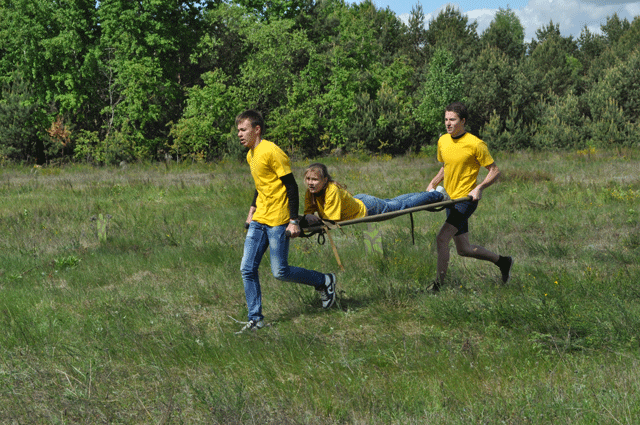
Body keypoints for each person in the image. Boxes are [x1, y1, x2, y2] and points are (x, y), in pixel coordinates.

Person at [236, 110, 337, 333]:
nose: (240, 134)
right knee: (247, 268)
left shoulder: (272, 151)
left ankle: (324, 281)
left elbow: (291, 186)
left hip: (278, 219)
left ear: (257, 130)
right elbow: (261, 185)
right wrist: (252, 211)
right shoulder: (251, 155)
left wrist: (293, 221)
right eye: (238, 131)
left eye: (243, 130)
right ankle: (255, 319)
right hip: (260, 218)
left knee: (280, 271)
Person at [426, 102, 513, 290]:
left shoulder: (475, 144)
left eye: (452, 120)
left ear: (463, 121)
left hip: (465, 201)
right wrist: (433, 183)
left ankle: (438, 286)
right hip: (450, 200)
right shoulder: (443, 141)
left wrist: (479, 188)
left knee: (442, 238)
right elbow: (446, 166)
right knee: (463, 249)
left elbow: (495, 171)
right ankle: (503, 261)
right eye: (446, 119)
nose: (448, 123)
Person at [303, 162, 445, 224]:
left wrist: (311, 219)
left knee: (402, 206)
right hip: (360, 201)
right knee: (396, 202)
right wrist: (308, 216)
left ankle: (438, 195)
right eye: (308, 179)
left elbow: (330, 220)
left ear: (325, 180)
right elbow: (309, 211)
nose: (310, 183)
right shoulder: (310, 192)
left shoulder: (331, 190)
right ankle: (428, 193)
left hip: (367, 208)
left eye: (315, 179)